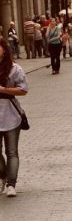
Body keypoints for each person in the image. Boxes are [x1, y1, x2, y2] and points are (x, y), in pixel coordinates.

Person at [0, 38, 28, 197]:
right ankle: (2, 175)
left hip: (10, 113)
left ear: (4, 49)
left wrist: (4, 89)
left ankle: (11, 184)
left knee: (12, 152)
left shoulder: (14, 69)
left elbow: (23, 90)